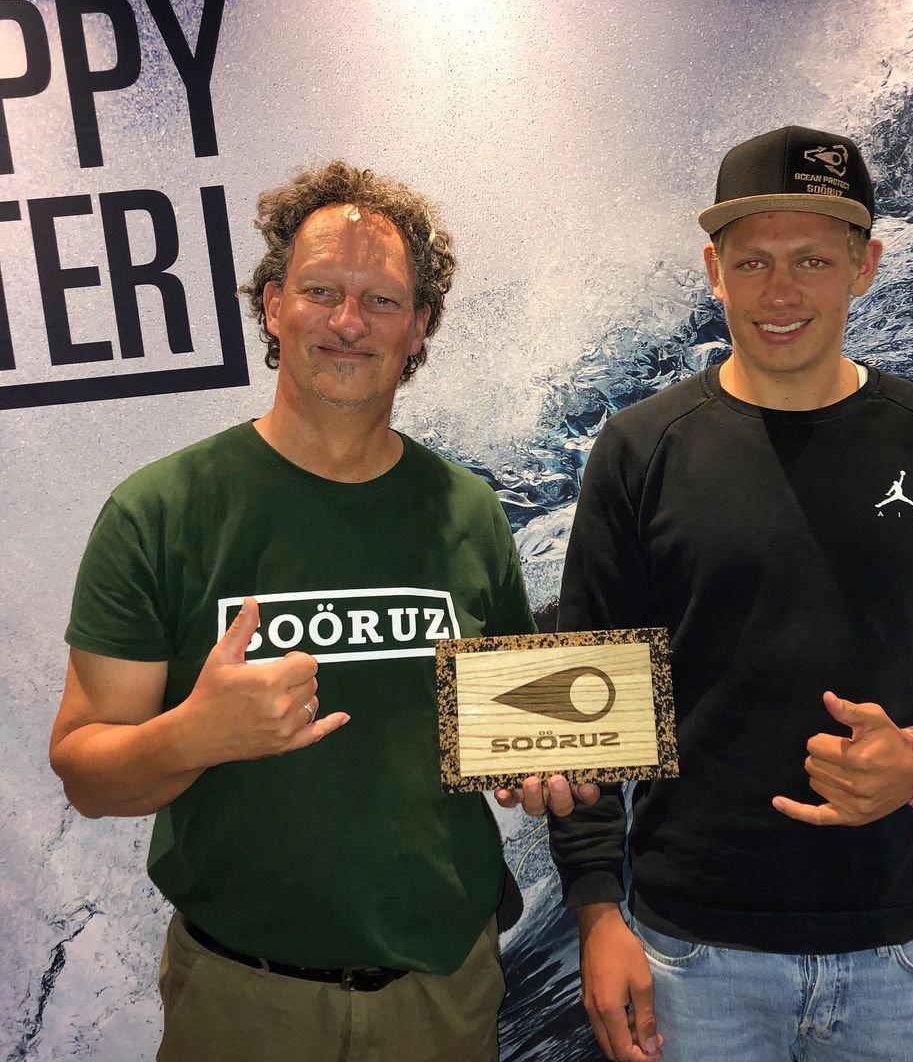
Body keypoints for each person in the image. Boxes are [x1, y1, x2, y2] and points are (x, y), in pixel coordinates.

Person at [49, 160, 587, 1062]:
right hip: (243, 1002)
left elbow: (503, 731)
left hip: (444, 991)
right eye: (321, 291)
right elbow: (85, 774)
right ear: (273, 306)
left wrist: (534, 770)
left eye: (382, 301)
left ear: (419, 326)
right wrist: (193, 734)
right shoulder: (160, 511)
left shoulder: (468, 512)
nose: (349, 322)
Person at [547, 126, 913, 1062]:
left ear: (865, 266)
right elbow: (585, 682)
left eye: (813, 260)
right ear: (715, 271)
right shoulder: (641, 447)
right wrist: (596, 911)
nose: (780, 293)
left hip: (899, 954)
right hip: (690, 955)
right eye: (753, 262)